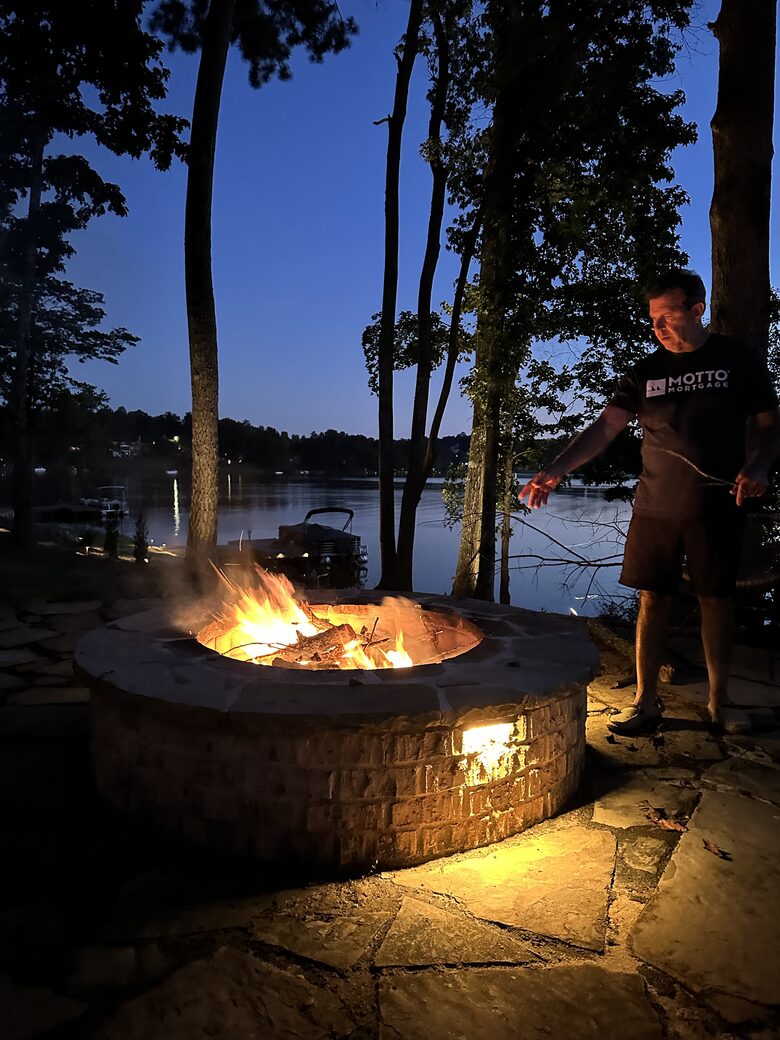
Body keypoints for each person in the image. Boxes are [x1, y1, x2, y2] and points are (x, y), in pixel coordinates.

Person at [519, 269, 780, 735]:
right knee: (651, 600)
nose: (657, 328)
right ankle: (645, 700)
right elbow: (604, 429)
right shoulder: (644, 373)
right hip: (655, 506)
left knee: (715, 601)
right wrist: (555, 470)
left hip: (714, 504)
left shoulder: (736, 360)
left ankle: (721, 703)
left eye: (667, 316)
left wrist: (758, 466)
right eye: (652, 319)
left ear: (697, 310)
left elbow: (769, 425)